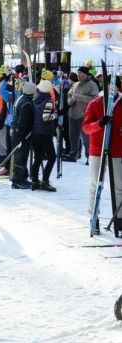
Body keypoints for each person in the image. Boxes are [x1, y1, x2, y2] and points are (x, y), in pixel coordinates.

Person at [83, 74, 122, 234]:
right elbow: (86, 127)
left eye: (113, 87)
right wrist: (99, 124)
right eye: (107, 87)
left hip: (117, 151)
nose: (110, 91)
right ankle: (94, 218)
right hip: (97, 150)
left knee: (118, 186)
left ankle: (119, 219)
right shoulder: (95, 104)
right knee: (95, 185)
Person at [65, 66, 99, 163]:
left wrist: (80, 97)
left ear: (86, 74)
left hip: (84, 114)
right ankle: (73, 154)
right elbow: (69, 94)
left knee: (86, 138)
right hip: (72, 113)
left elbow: (95, 99)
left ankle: (89, 157)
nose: (78, 75)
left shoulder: (92, 85)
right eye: (78, 72)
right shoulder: (75, 84)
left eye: (80, 73)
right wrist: (69, 101)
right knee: (73, 136)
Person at [29, 80, 58, 192]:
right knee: (52, 157)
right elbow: (46, 117)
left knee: (38, 157)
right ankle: (45, 181)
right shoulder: (48, 101)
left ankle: (35, 181)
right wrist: (55, 115)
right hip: (44, 133)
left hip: (34, 132)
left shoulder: (35, 99)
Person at [10, 82, 37, 189]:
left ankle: (23, 177)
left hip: (17, 131)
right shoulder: (27, 103)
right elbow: (23, 121)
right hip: (21, 134)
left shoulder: (22, 98)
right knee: (20, 156)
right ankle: (17, 180)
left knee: (22, 155)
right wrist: (22, 134)